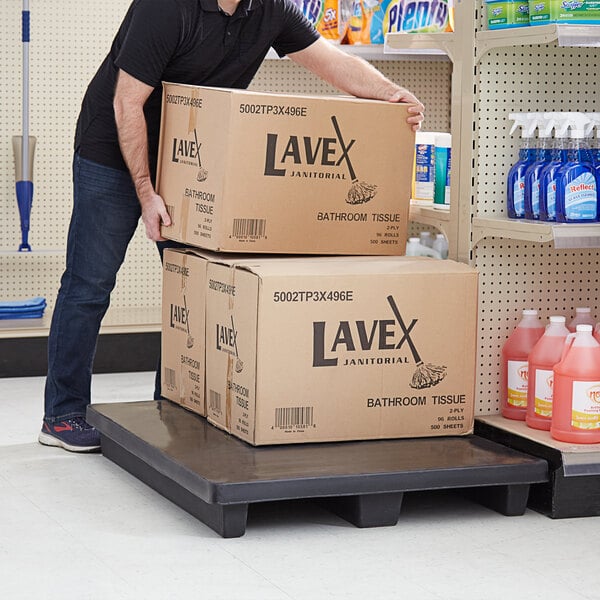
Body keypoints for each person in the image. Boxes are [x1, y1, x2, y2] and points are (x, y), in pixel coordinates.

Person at [38, 0, 425, 453]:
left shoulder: (269, 7)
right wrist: (146, 195)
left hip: (188, 159)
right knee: (89, 285)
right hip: (115, 150)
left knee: (196, 284)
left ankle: (175, 402)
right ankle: (63, 414)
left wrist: (391, 93)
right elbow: (127, 102)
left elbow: (331, 62)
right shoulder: (165, 8)